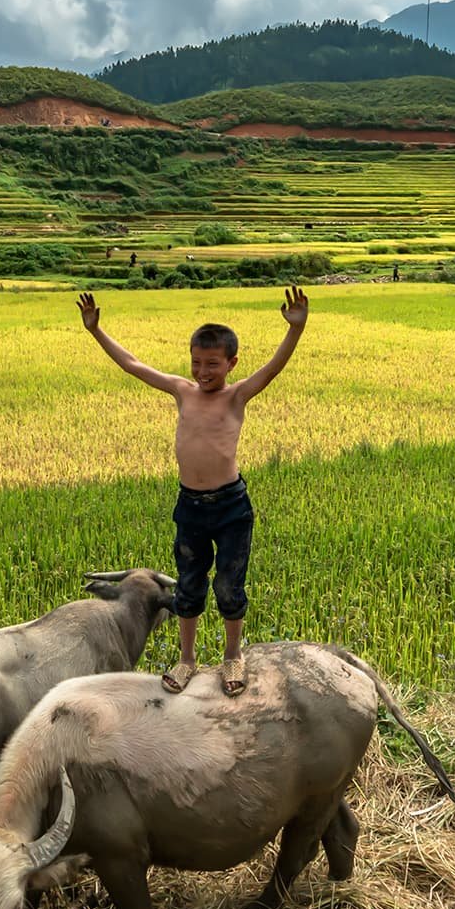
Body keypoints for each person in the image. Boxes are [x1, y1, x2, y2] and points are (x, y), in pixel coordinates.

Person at [76, 285, 310, 696]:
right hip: (191, 506)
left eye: (213, 364)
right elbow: (132, 364)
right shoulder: (182, 391)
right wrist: (96, 330)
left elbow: (273, 368)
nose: (203, 372)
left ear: (232, 363)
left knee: (229, 586)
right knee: (188, 586)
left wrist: (295, 330)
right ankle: (186, 660)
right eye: (197, 362)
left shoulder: (237, 395)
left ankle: (232, 656)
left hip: (231, 506)